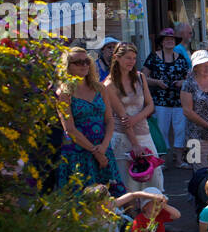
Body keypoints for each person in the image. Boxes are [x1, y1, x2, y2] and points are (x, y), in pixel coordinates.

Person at [56, 46, 123, 192]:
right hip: (78, 154)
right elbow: (70, 129)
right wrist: (95, 151)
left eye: (87, 61)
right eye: (78, 62)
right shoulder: (64, 93)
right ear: (67, 67)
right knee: (82, 203)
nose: (84, 65)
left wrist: (103, 148)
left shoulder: (100, 88)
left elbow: (110, 120)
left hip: (103, 149)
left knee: (113, 199)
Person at [104, 41, 164, 192]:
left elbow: (150, 105)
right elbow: (122, 117)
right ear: (117, 58)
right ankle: (131, 213)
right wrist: (135, 144)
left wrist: (136, 118)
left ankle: (153, 212)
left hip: (144, 132)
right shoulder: (109, 84)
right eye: (128, 58)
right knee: (129, 183)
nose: (132, 62)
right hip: (124, 136)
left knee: (153, 179)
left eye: (134, 58)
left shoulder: (140, 77)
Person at [144, 29, 191, 169]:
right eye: (166, 39)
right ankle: (162, 158)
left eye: (172, 39)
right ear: (162, 42)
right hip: (160, 100)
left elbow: (189, 78)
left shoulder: (181, 58)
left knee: (180, 129)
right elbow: (143, 77)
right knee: (161, 129)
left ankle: (179, 159)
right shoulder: (153, 57)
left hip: (179, 100)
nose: (169, 41)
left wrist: (183, 82)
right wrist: (157, 82)